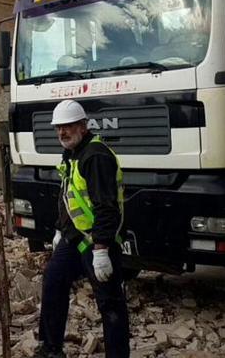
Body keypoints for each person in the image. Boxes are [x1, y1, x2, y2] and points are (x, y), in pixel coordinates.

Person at [34, 99, 130, 358]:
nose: (62, 133)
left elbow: (106, 207)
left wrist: (101, 249)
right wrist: (59, 230)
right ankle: (51, 348)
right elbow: (68, 196)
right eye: (58, 128)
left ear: (83, 126)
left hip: (99, 241)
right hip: (74, 237)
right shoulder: (73, 154)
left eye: (68, 126)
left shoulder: (95, 157)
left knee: (110, 303)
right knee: (53, 281)